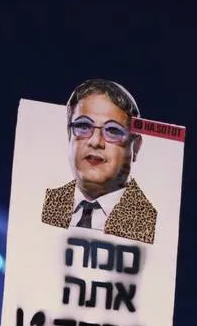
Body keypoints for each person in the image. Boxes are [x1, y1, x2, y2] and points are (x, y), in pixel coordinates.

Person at [40, 78, 158, 245]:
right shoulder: (44, 205)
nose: (95, 141)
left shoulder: (152, 224)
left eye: (113, 130)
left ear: (135, 147)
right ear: (69, 135)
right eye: (83, 126)